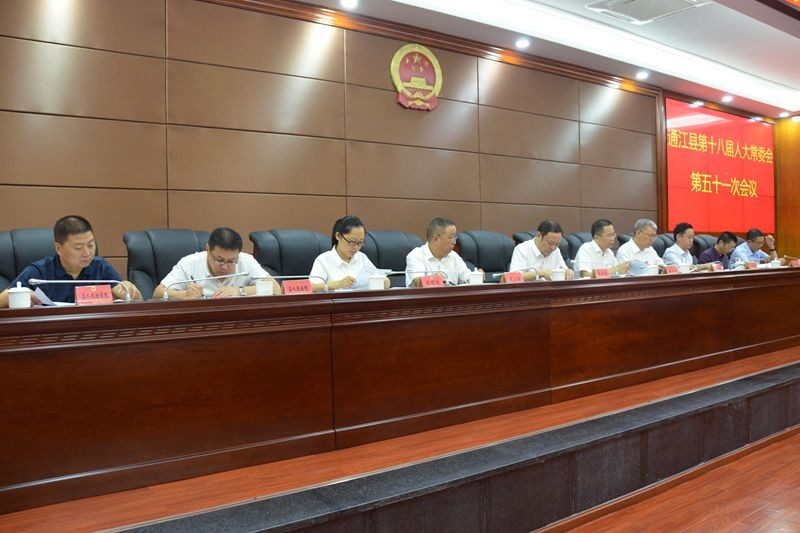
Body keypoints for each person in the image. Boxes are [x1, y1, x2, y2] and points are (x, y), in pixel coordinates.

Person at [0, 215, 142, 307]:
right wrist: (21, 295)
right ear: (58, 248)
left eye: (91, 245)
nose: (87, 253)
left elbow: (137, 301)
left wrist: (128, 292)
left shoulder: (100, 267)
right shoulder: (38, 273)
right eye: (78, 248)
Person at [153, 227, 279, 299]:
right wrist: (185, 294)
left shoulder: (246, 261)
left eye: (231, 261)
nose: (225, 267)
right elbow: (158, 293)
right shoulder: (189, 263)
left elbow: (275, 289)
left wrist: (239, 291)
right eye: (219, 260)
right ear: (208, 250)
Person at [309, 215, 388, 291]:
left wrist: (384, 282)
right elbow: (310, 287)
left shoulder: (362, 257)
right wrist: (338, 284)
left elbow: (380, 277)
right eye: (352, 242)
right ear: (338, 236)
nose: (356, 247)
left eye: (360, 243)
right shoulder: (323, 260)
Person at [406, 217, 475, 287]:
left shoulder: (453, 256)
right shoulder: (416, 256)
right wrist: (433, 279)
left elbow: (467, 279)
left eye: (455, 238)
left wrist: (477, 276)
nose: (454, 242)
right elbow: (417, 284)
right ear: (436, 239)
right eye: (451, 238)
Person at [509, 220, 573, 281]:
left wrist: (568, 272)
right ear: (539, 235)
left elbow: (564, 270)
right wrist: (541, 274)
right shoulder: (522, 249)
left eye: (557, 244)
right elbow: (513, 277)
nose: (553, 248)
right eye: (550, 243)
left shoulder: (556, 250)